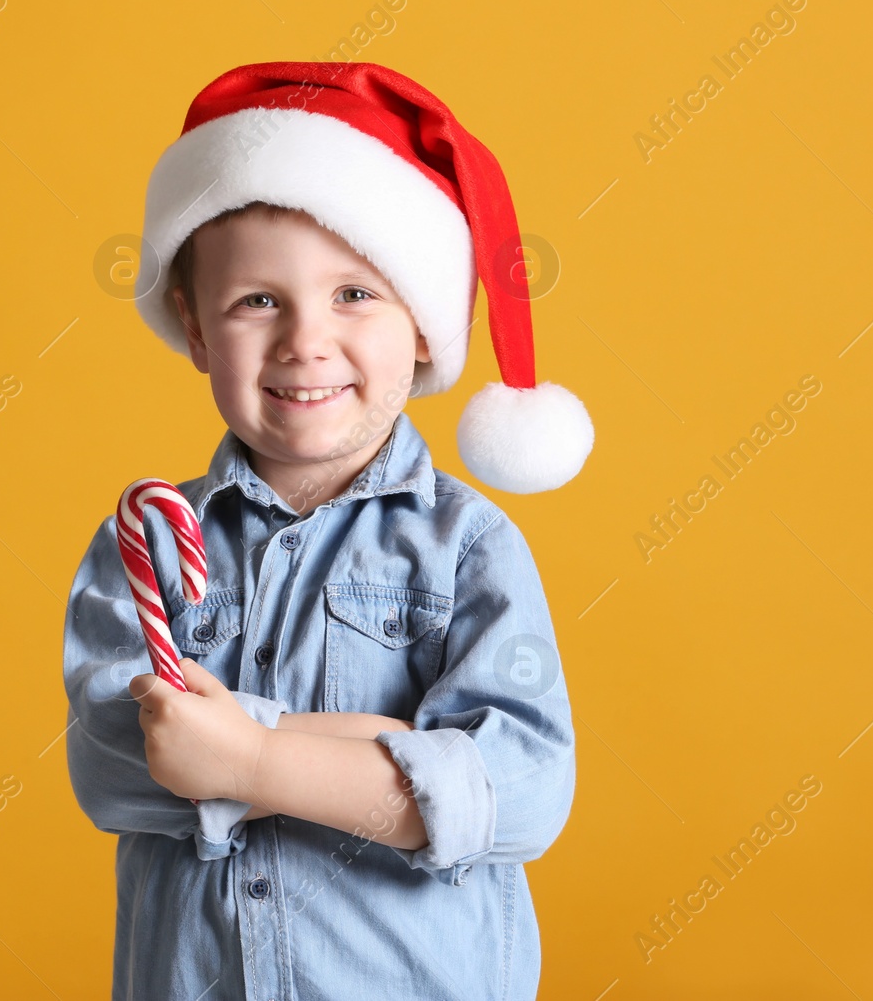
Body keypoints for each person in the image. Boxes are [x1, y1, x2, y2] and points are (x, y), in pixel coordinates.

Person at [64, 60, 596, 1000]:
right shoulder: (148, 543)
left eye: (355, 294)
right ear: (193, 326)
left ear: (425, 325)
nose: (304, 339)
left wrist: (250, 756)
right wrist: (386, 752)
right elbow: (117, 769)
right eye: (256, 300)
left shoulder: (467, 548)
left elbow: (518, 793)